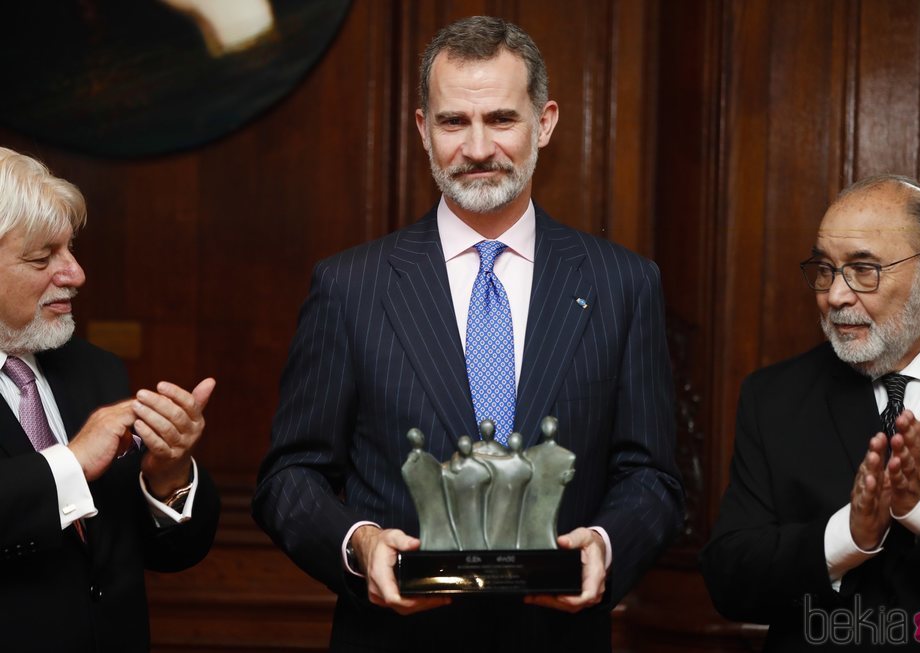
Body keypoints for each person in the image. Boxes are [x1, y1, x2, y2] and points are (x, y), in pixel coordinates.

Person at [253, 15, 682, 653]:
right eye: (454, 122)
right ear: (424, 128)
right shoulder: (351, 287)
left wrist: (605, 545)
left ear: (547, 121)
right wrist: (359, 544)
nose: (478, 148)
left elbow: (653, 477)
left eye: (502, 120)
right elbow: (290, 476)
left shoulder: (625, 284)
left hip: (557, 638)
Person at [701, 175, 920, 651]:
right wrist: (844, 537)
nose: (835, 296)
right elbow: (730, 579)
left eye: (864, 270)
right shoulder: (775, 397)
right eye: (826, 270)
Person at [0, 146, 220, 652]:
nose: (75, 274)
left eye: (70, 249)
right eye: (41, 258)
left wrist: (168, 474)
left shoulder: (94, 369)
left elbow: (166, 556)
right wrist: (71, 463)